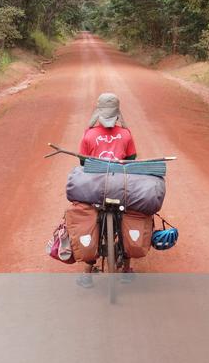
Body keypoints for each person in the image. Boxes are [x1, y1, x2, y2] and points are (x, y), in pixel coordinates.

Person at [76, 92, 136, 288]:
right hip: (120, 186)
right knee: (128, 217)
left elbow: (83, 163)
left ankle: (87, 274)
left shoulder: (88, 134)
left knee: (91, 220)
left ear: (99, 112)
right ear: (117, 113)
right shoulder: (126, 134)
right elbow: (132, 160)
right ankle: (126, 269)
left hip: (96, 188)